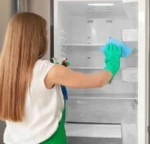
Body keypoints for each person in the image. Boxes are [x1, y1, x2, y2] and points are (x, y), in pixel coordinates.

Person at [0, 12, 121, 144]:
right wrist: (112, 63)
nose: (46, 37)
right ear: (35, 38)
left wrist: (59, 73)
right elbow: (99, 81)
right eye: (44, 33)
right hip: (49, 140)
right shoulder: (49, 71)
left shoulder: (4, 71)